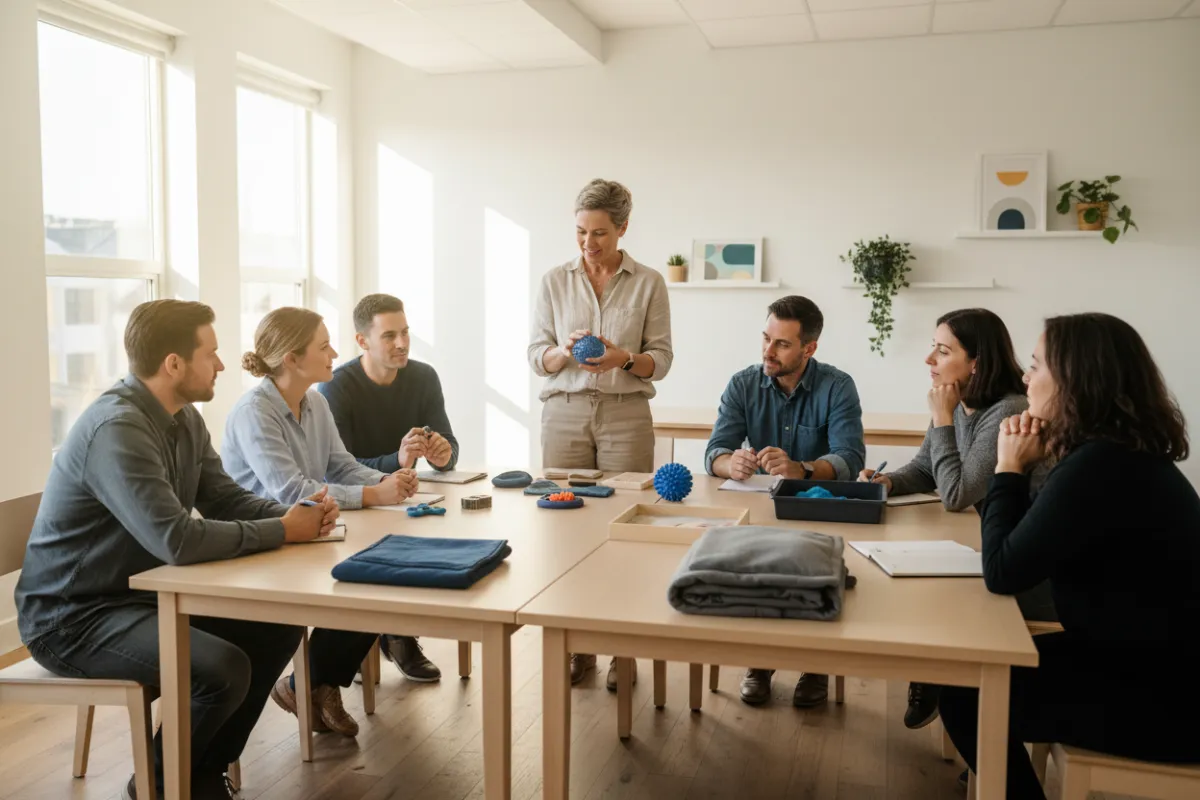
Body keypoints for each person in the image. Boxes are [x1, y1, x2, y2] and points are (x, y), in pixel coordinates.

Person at [15, 300, 336, 800]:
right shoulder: (117, 429)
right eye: (211, 353)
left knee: (278, 625)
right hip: (72, 618)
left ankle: (199, 773)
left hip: (141, 597)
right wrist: (283, 531)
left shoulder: (183, 418)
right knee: (220, 669)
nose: (223, 364)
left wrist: (295, 513)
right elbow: (177, 540)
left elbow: (223, 496)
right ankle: (162, 784)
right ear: (173, 364)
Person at [938, 313, 1200, 800]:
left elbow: (1001, 572)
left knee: (964, 692)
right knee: (970, 670)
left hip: (1165, 699)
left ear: (1076, 380)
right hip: (1148, 666)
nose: (1024, 376)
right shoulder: (1117, 455)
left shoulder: (1097, 467)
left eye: (1037, 365)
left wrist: (1009, 468)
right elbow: (1021, 547)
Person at [222, 307, 421, 738]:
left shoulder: (313, 400)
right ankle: (313, 683)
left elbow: (341, 467)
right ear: (292, 358)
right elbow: (290, 491)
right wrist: (374, 495)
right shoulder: (254, 412)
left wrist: (388, 480)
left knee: (377, 577)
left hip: (309, 534)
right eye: (324, 345)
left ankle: (311, 683)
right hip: (259, 544)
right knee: (363, 580)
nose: (335, 351)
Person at [856, 308, 1050, 731]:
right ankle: (935, 675)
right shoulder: (957, 401)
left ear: (976, 362)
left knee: (923, 582)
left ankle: (938, 678)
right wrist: (887, 480)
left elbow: (958, 494)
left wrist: (943, 418)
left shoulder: (1006, 411)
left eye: (942, 351)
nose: (929, 360)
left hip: (1026, 570)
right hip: (984, 543)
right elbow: (928, 469)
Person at [526, 178, 674, 690]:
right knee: (566, 531)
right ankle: (579, 648)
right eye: (581, 232)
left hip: (625, 412)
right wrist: (564, 354)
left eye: (601, 234)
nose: (589, 244)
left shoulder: (649, 281)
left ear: (623, 229)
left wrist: (624, 359)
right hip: (563, 412)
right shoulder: (553, 281)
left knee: (625, 531)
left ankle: (623, 654)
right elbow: (535, 358)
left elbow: (662, 359)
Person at [706, 295, 866, 708]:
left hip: (819, 511)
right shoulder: (743, 383)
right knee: (758, 568)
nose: (768, 351)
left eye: (781, 344)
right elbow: (714, 452)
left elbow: (850, 458)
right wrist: (731, 464)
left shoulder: (838, 385)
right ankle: (759, 662)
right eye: (766, 338)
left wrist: (804, 469)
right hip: (761, 511)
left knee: (814, 569)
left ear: (809, 349)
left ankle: (815, 667)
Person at [318, 293, 457, 682]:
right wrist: (394, 462)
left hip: (403, 496)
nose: (402, 344)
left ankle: (395, 633)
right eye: (390, 336)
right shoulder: (335, 389)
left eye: (406, 333)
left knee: (438, 535)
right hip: (356, 503)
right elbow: (337, 470)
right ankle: (395, 635)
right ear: (362, 341)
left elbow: (449, 445)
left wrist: (443, 455)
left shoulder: (423, 376)